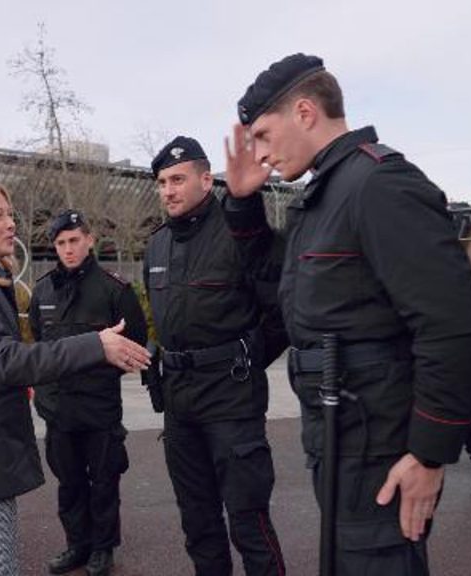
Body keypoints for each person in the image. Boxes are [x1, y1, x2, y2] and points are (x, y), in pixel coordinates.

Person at [228, 53, 471, 575]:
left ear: (304, 112)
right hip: (341, 436)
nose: (258, 154)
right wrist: (240, 203)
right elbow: (280, 288)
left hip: (382, 451)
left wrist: (429, 455)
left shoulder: (378, 185)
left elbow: (454, 326)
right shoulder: (325, 194)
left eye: (261, 135)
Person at [0, 181, 151, 576]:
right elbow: (6, 359)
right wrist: (95, 344)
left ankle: (99, 548)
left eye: (10, 214)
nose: (12, 225)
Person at [143, 136, 287, 576]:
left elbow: (281, 310)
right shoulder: (157, 245)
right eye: (162, 182)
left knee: (249, 521)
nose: (168, 190)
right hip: (180, 403)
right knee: (198, 522)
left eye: (178, 179)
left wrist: (244, 357)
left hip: (231, 399)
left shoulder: (238, 234)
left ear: (206, 180)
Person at [29, 210, 148, 576]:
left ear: (90, 240)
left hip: (98, 408)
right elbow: (39, 341)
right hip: (59, 408)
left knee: (104, 482)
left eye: (74, 240)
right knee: (69, 483)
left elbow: (135, 342)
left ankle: (102, 548)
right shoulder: (43, 290)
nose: (68, 249)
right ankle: (76, 545)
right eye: (61, 243)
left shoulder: (115, 289)